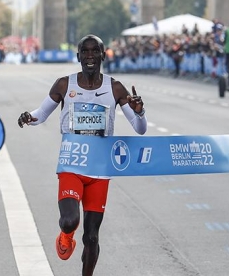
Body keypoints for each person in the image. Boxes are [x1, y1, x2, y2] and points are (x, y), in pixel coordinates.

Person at [17, 34, 147, 276]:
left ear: (102, 54)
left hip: (100, 168)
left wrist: (139, 113)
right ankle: (66, 235)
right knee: (69, 221)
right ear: (78, 57)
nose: (89, 56)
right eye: (84, 52)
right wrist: (28, 118)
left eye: (94, 51)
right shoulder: (64, 85)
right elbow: (41, 114)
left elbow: (140, 129)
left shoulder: (115, 87)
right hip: (72, 163)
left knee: (92, 236)